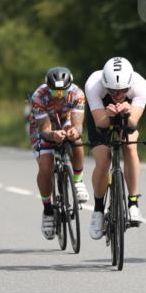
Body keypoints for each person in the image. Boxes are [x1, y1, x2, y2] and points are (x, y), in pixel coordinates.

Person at [84, 57, 146, 239]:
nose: (118, 94)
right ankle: (97, 210)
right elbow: (99, 123)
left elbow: (133, 122)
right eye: (113, 91)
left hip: (128, 114)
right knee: (103, 160)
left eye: (122, 90)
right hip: (102, 116)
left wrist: (126, 113)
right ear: (105, 84)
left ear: (130, 84)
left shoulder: (140, 85)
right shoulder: (94, 84)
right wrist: (108, 115)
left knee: (130, 147)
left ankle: (133, 203)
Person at [28, 67, 88, 240]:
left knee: (76, 140)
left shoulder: (77, 94)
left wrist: (74, 132)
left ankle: (78, 181)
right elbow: (45, 129)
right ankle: (48, 210)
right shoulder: (39, 96)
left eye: (63, 92)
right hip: (43, 126)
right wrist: (53, 135)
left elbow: (78, 126)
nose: (59, 96)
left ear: (69, 88)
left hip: (66, 120)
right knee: (46, 166)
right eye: (55, 92)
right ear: (48, 88)